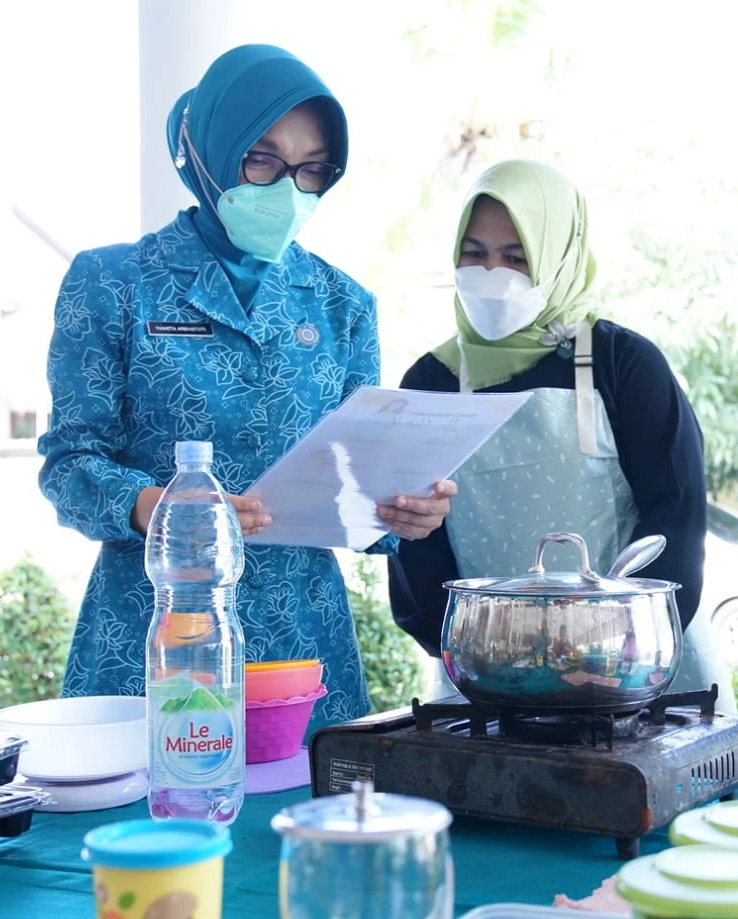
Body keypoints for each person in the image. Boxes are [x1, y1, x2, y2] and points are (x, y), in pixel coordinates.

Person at [38, 44, 454, 723]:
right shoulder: (113, 283)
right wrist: (165, 509)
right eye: (262, 158)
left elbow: (358, 485)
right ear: (209, 148)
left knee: (303, 825)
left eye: (311, 169)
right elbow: (69, 466)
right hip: (155, 636)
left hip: (302, 645)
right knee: (157, 819)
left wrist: (403, 515)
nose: (286, 189)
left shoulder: (343, 305)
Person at [388, 159, 732, 710]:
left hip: (636, 676)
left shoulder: (622, 364)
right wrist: (468, 652)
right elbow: (412, 541)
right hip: (486, 676)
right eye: (474, 254)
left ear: (559, 256)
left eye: (517, 257)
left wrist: (621, 655)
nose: (492, 272)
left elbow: (678, 518)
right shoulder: (431, 381)